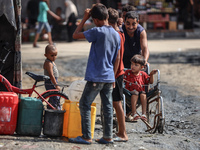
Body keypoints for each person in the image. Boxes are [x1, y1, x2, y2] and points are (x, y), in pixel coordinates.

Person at [68, 3, 121, 144]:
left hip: (96, 76)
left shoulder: (97, 31)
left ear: (95, 20)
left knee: (85, 104)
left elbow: (75, 35)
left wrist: (84, 18)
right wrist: (114, 77)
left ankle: (86, 137)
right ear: (107, 16)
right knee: (108, 108)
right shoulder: (116, 35)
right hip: (109, 77)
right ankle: (108, 136)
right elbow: (117, 58)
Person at [107, 7, 128, 142]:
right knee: (115, 103)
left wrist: (113, 77)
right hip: (116, 73)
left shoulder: (117, 35)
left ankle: (123, 133)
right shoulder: (119, 32)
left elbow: (118, 58)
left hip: (116, 73)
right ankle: (120, 131)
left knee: (117, 103)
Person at [124, 55, 157, 122]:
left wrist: (151, 75)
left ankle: (144, 114)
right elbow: (122, 80)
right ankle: (134, 113)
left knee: (143, 94)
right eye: (132, 64)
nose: (133, 66)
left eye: (136, 65)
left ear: (142, 67)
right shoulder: (127, 73)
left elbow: (150, 82)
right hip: (129, 93)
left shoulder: (143, 74)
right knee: (135, 93)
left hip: (141, 93)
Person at [43, 44, 61, 110]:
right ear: (46, 55)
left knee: (53, 98)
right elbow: (51, 75)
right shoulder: (48, 63)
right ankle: (56, 111)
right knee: (55, 98)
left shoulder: (52, 62)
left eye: (55, 55)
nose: (54, 57)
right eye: (52, 55)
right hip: (50, 82)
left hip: (53, 81)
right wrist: (56, 85)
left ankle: (51, 111)